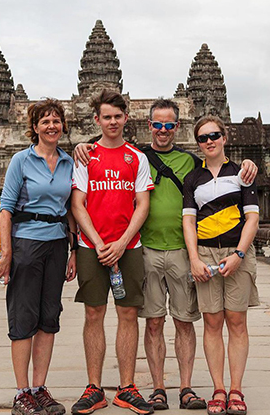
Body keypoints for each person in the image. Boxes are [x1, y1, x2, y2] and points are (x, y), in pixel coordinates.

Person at [73, 99, 258, 411]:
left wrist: (247, 164)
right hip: (145, 250)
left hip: (184, 252)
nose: (162, 130)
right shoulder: (137, 156)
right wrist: (82, 144)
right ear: (148, 126)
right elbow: (108, 149)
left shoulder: (190, 163)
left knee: (185, 321)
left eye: (169, 125)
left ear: (178, 128)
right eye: (157, 125)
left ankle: (186, 387)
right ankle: (158, 387)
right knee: (153, 322)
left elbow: (219, 173)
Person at [0, 98, 77, 415]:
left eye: (56, 120)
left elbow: (72, 210)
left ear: (62, 125)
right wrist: (7, 254)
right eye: (45, 121)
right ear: (35, 127)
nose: (51, 126)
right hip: (26, 241)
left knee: (48, 318)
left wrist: (74, 251)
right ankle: (21, 392)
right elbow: (6, 209)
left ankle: (40, 388)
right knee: (23, 317)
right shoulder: (21, 161)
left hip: (57, 243)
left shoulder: (69, 163)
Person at [70, 89, 154, 415]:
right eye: (107, 116)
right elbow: (78, 204)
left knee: (128, 313)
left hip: (129, 245)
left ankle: (127, 387)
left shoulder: (137, 157)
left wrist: (121, 243)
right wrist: (99, 242)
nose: (113, 121)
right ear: (97, 120)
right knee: (93, 314)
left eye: (118, 116)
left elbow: (142, 204)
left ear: (126, 119)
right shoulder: (86, 156)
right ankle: (94, 387)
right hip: (92, 245)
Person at [182, 116, 259, 415]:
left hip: (236, 252)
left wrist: (239, 254)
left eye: (214, 135)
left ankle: (236, 389)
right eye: (203, 138)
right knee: (212, 323)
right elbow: (189, 220)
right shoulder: (193, 178)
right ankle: (218, 388)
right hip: (206, 254)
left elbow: (251, 217)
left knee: (237, 322)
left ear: (225, 137)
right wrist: (194, 258)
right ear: (198, 143)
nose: (209, 141)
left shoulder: (242, 172)